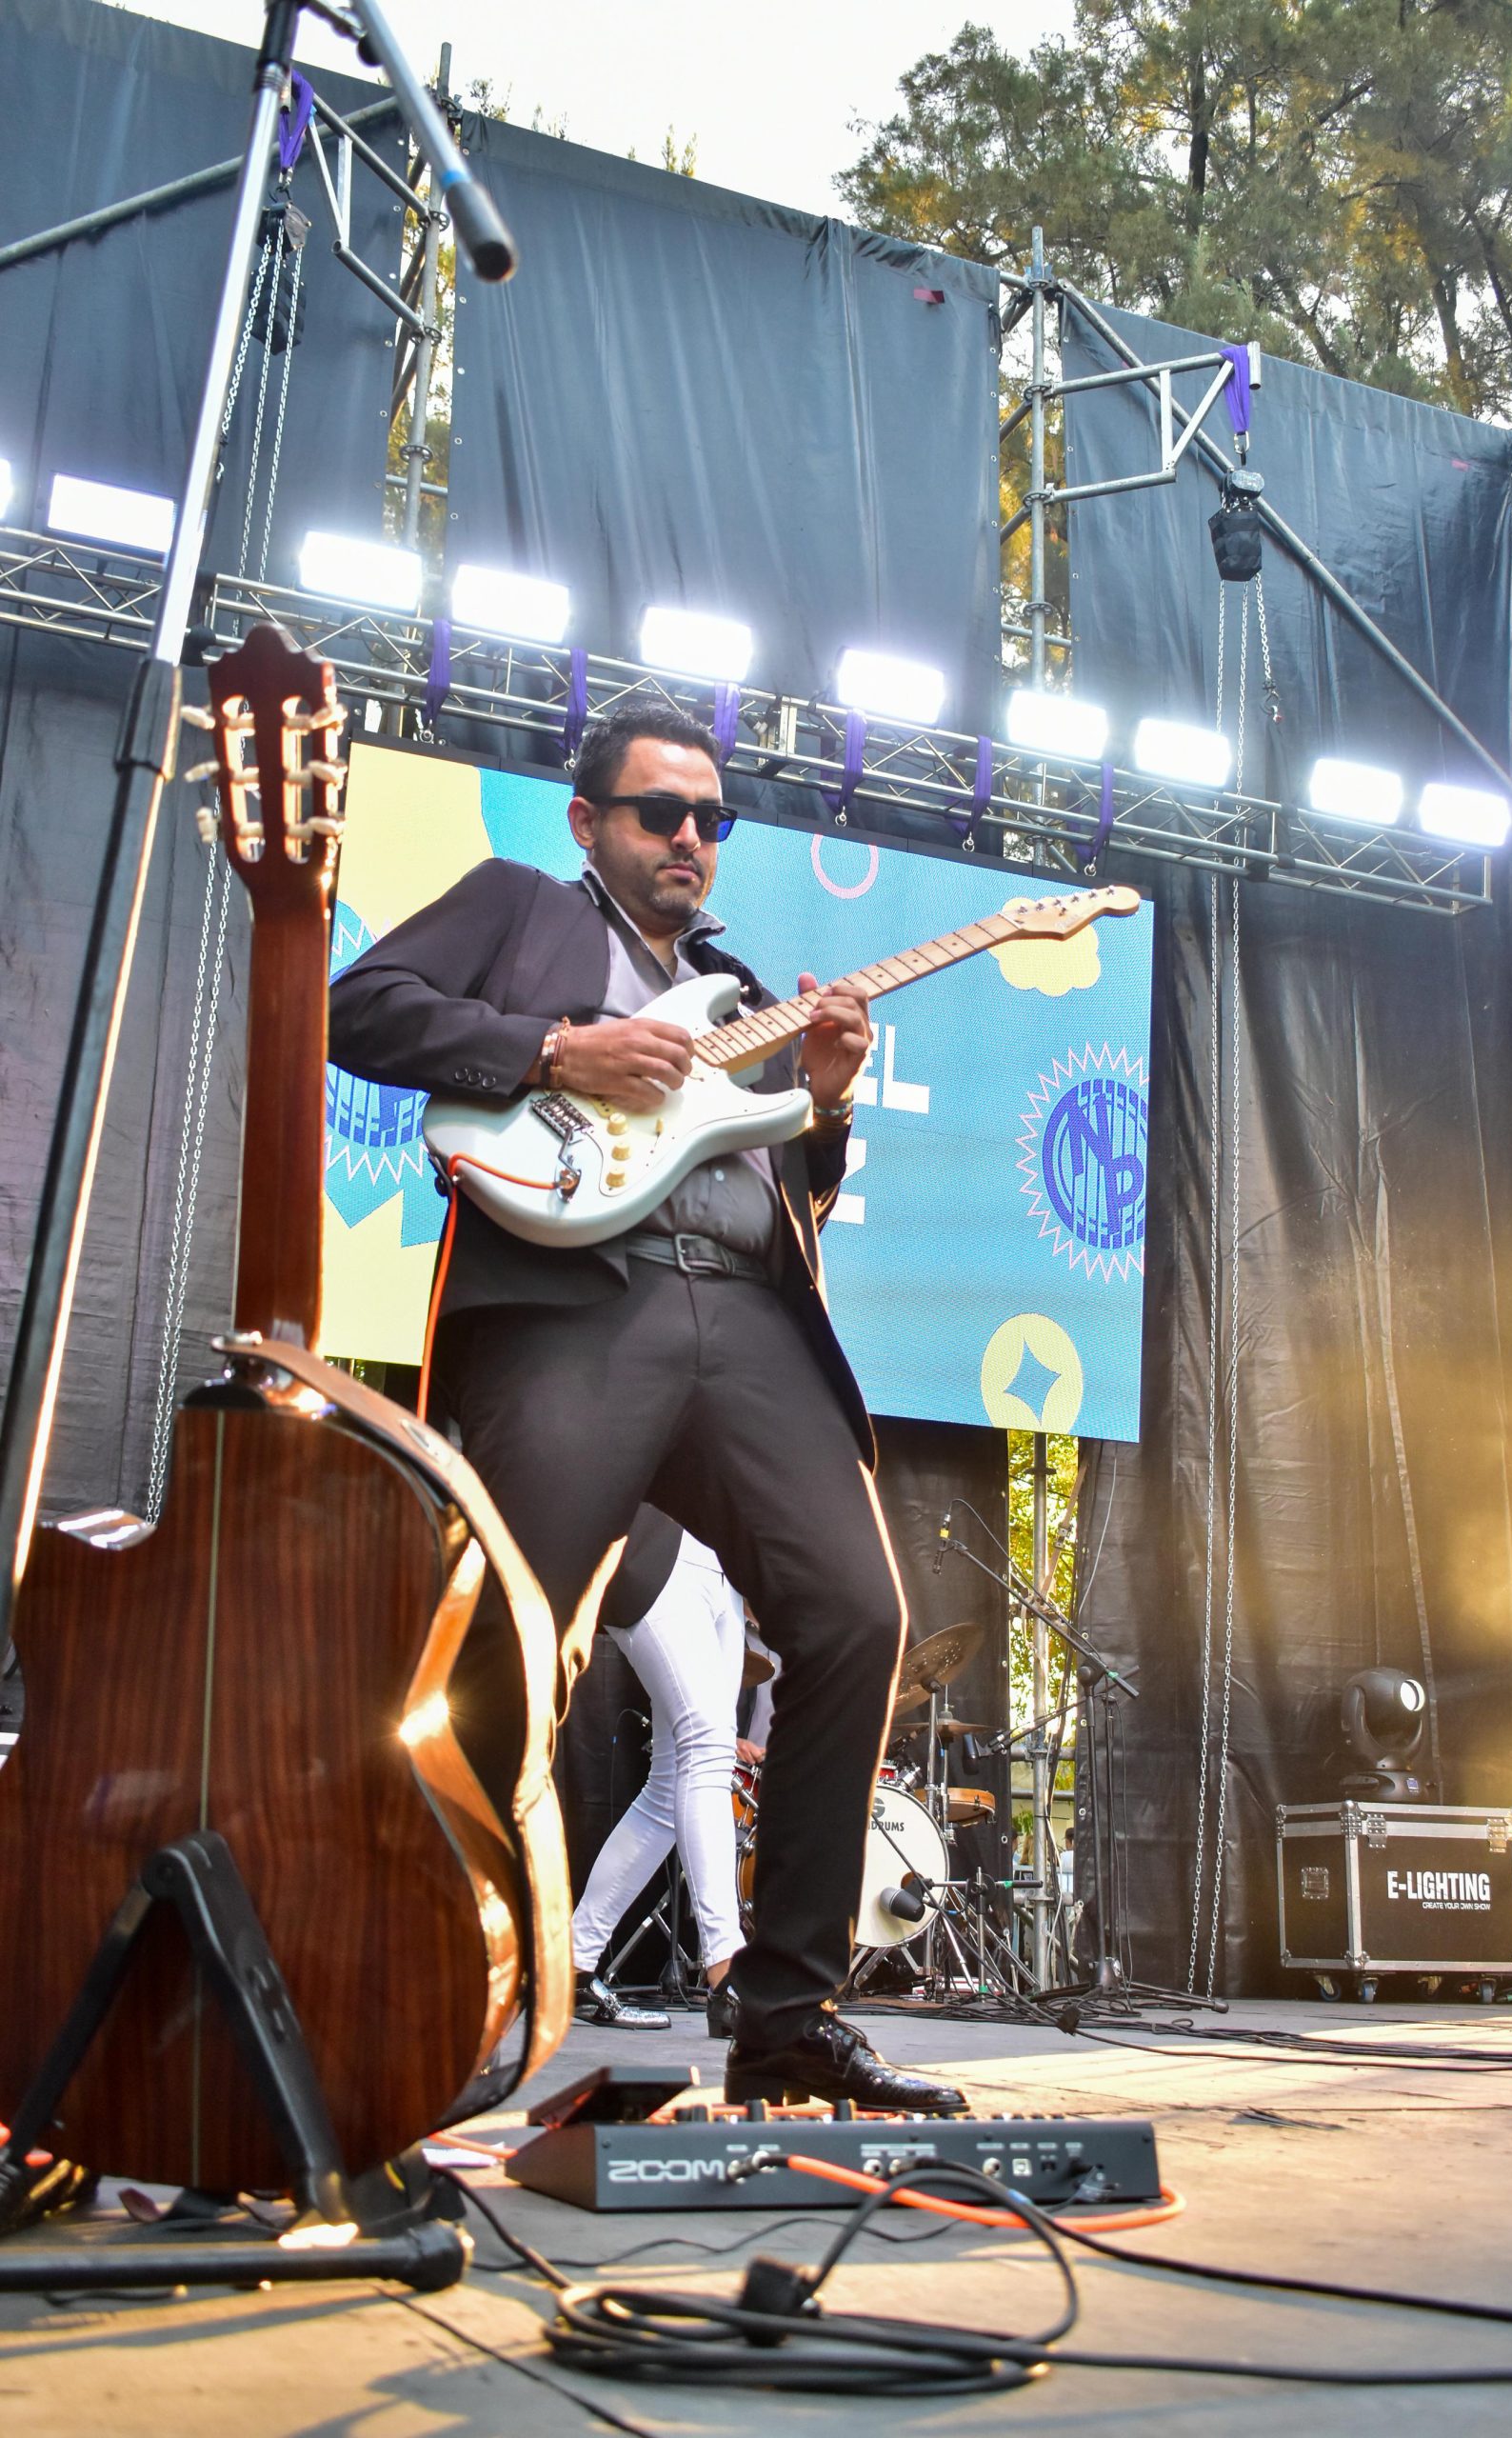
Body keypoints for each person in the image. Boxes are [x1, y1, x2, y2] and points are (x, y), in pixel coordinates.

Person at [328, 698, 963, 2114]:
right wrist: (557, 1053)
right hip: (577, 1308)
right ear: (587, 822)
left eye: (710, 818)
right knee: (507, 1644)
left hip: (746, 1318)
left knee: (856, 1616)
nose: (690, 836)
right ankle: (416, 1990)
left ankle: (787, 2015)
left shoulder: (740, 995)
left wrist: (826, 1106)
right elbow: (355, 1008)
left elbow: (787, 1191)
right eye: (659, 811)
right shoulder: (518, 908)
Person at [571, 1529, 754, 2039]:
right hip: (662, 1555)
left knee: (668, 1787)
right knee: (710, 1747)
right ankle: (727, 1972)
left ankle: (574, 1963)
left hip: (726, 1573)